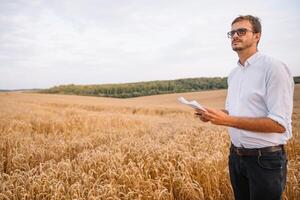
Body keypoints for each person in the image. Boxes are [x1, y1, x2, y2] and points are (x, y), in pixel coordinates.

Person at [195, 15, 294, 200]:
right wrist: (212, 114)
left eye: (242, 31)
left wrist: (227, 120)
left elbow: (279, 124)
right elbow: (233, 112)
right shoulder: (234, 74)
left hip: (265, 160)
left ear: (257, 36)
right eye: (232, 32)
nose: (235, 36)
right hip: (237, 157)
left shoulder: (273, 68)